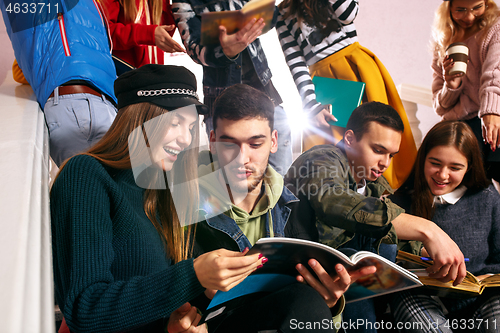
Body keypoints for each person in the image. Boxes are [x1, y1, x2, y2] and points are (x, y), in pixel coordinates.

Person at [51, 65, 268, 333]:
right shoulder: (87, 175)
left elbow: (160, 300)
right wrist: (194, 274)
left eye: (190, 126)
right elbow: (86, 309)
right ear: (140, 119)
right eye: (175, 123)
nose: (185, 138)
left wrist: (196, 305)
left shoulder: (163, 192)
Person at [195, 83, 377, 332]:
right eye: (229, 144)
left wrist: (331, 304)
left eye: (255, 144)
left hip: (282, 320)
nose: (242, 158)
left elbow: (308, 308)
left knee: (309, 301)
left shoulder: (295, 207)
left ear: (273, 142)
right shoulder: (187, 208)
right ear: (213, 142)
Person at [284, 102, 467, 332]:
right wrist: (429, 230)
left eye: (391, 155)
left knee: (384, 249)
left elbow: (388, 230)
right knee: (358, 260)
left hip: (344, 278)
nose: (385, 163)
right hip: (300, 270)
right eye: (378, 150)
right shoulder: (322, 158)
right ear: (350, 138)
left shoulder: (373, 183)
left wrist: (427, 254)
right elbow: (332, 200)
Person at [276, 0, 417, 189]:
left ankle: (383, 191)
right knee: (329, 144)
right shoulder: (281, 12)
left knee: (376, 135)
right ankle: (340, 197)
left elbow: (348, 14)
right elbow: (296, 63)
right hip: (323, 85)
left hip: (355, 68)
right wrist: (312, 105)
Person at [389, 121, 500, 333]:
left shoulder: (487, 196)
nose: (442, 175)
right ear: (423, 159)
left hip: (478, 299)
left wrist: (482, 279)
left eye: (455, 168)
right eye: (435, 163)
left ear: (469, 167)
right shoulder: (399, 203)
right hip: (419, 296)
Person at [172, 0, 293, 176]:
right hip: (222, 100)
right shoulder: (183, 2)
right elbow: (195, 50)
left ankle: (280, 203)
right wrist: (225, 50)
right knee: (233, 179)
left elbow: (271, 16)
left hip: (263, 91)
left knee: (281, 177)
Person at [1, 0, 118, 166]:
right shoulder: (92, 5)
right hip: (108, 107)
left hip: (72, 107)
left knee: (82, 189)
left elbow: (21, 72)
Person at [431, 0, 500, 182]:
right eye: (460, 10)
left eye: (477, 7)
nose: (469, 17)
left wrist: (491, 111)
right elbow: (439, 107)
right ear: (449, 7)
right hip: (462, 123)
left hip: (492, 114)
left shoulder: (496, 28)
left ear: (487, 3)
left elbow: (494, 73)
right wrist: (452, 85)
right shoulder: (442, 40)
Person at [103, 0, 186, 69]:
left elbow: (165, 32)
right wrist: (148, 34)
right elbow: (101, 33)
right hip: (123, 76)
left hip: (151, 77)